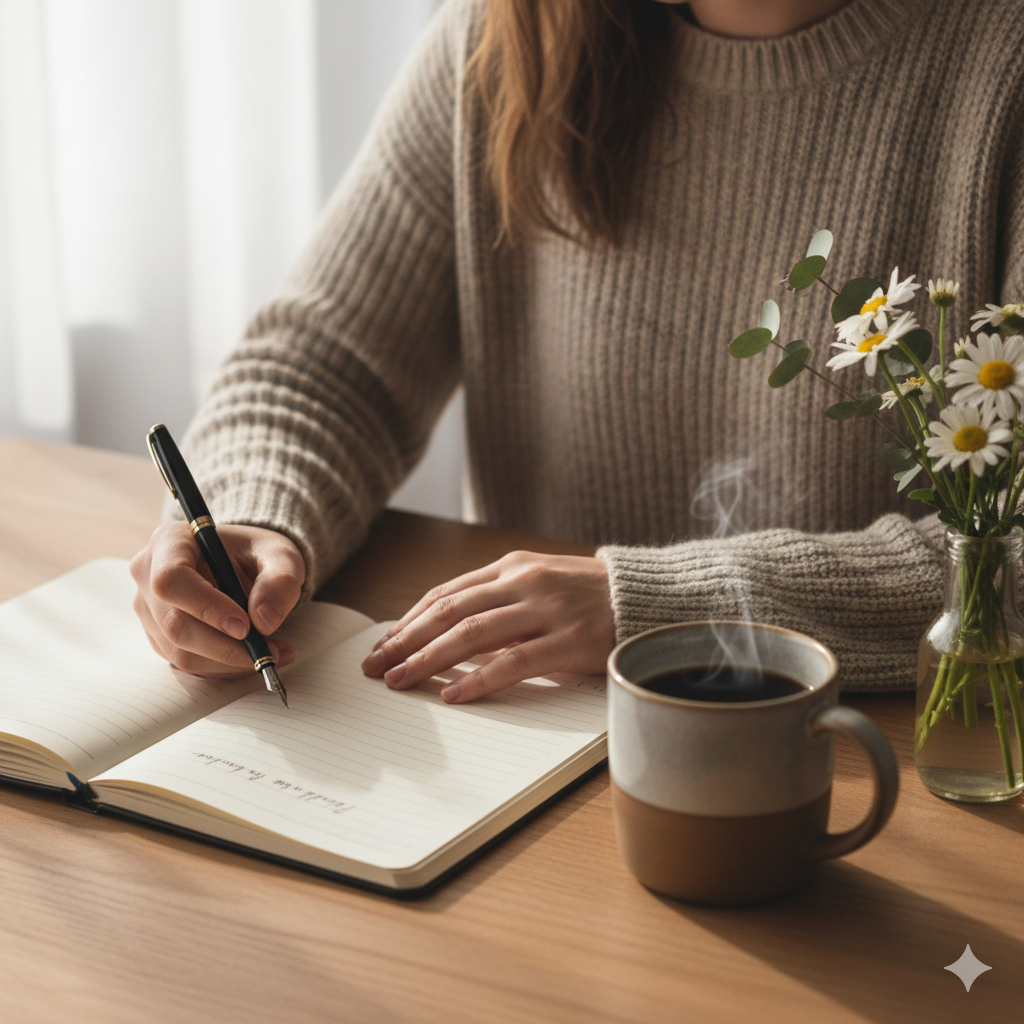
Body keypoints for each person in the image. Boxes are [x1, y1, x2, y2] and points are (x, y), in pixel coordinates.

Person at [130, 0, 1024, 703]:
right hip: (525, 741)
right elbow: (325, 363)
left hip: (872, 760)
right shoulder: (504, 38)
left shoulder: (1001, 65)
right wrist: (254, 519)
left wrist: (665, 606)